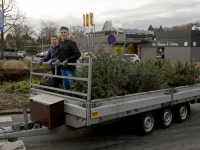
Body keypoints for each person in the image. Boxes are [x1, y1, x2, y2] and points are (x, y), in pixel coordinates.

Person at [55, 26, 81, 95]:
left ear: (68, 33)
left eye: (65, 32)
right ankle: (66, 97)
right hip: (62, 68)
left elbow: (78, 54)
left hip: (70, 68)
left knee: (72, 83)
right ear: (60, 34)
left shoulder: (72, 43)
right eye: (62, 33)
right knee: (65, 83)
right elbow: (59, 54)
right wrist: (57, 59)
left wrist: (68, 60)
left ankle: (73, 97)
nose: (63, 34)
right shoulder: (60, 43)